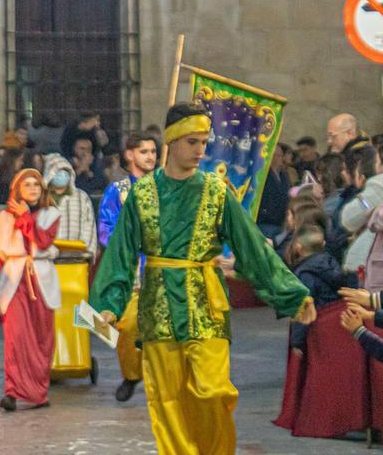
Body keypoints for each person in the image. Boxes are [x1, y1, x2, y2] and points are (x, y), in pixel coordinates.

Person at [91, 103, 315, 455]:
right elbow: (119, 253)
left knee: (215, 392)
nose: (201, 150)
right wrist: (107, 304)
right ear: (172, 141)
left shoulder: (216, 190)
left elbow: (251, 247)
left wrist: (290, 295)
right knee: (168, 403)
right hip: (158, 307)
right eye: (192, 141)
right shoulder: (141, 194)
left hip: (205, 305)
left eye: (204, 141)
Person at [0, 168, 60, 411]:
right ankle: (12, 391)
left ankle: (38, 393)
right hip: (15, 280)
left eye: (36, 185)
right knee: (15, 338)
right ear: (18, 190)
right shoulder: (3, 218)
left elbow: (43, 240)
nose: (33, 189)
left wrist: (26, 217)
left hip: (41, 278)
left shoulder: (51, 214)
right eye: (27, 185)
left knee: (41, 339)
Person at [286, 224, 356, 353]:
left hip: (315, 327)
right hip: (336, 323)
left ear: (298, 246)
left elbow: (305, 308)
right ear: (323, 244)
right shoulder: (333, 264)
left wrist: (297, 341)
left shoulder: (304, 274)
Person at [42, 154, 97, 261]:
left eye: (66, 171)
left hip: (77, 258)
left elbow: (89, 226)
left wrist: (88, 254)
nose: (62, 175)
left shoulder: (81, 197)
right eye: (58, 171)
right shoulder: (42, 198)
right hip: (47, 260)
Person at [258, 144, 294, 240]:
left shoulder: (284, 174)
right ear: (272, 156)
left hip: (281, 220)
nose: (282, 158)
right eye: (279, 155)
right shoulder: (264, 174)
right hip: (266, 220)